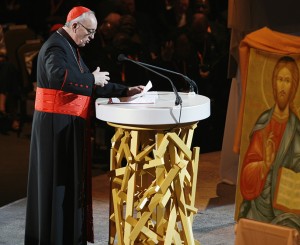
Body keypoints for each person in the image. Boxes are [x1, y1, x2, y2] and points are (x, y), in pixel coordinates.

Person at [24, 6, 144, 244]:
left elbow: (91, 82)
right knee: (56, 187)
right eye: (89, 32)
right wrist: (91, 78)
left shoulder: (71, 46)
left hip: (67, 126)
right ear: (75, 26)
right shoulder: (56, 46)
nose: (91, 38)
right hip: (55, 129)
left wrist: (124, 91)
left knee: (68, 186)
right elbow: (60, 76)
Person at [238, 56, 300, 229]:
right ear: (273, 83)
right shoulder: (263, 123)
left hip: (288, 208)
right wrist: (264, 165)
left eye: (287, 81)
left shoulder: (297, 129)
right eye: (279, 79)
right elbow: (246, 175)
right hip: (259, 206)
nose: (282, 86)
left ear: (293, 86)